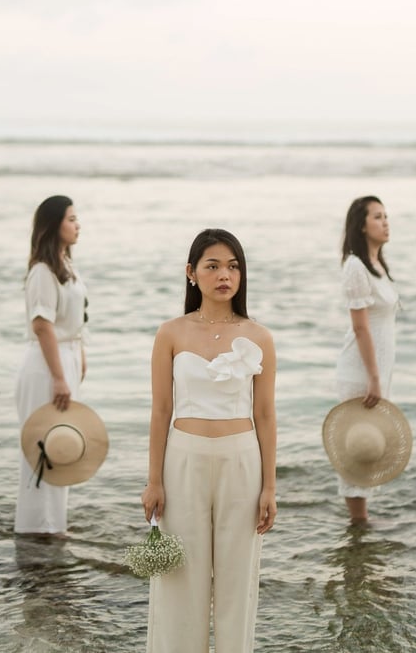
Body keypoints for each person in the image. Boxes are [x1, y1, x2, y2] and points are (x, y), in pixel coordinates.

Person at [141, 228, 277, 653]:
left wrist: (270, 486)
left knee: (238, 580)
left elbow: (266, 415)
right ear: (191, 273)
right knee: (180, 578)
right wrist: (154, 480)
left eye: (233, 266)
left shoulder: (259, 336)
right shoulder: (170, 333)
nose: (224, 275)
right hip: (183, 461)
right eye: (213, 265)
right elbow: (161, 411)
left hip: (242, 462)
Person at [14, 195, 87, 537]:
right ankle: (35, 528)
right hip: (46, 366)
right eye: (71, 218)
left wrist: (79, 357)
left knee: (62, 446)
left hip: (66, 359)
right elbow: (42, 325)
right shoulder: (42, 271)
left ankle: (54, 524)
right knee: (44, 446)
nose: (78, 225)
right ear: (54, 224)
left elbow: (73, 321)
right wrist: (59, 377)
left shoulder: (66, 265)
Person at [335, 195, 400, 524]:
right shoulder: (355, 266)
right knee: (357, 447)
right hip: (361, 371)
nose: (385, 221)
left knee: (371, 443)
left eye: (386, 215)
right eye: (377, 216)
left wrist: (381, 375)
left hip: (377, 370)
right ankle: (358, 522)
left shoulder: (376, 266)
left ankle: (361, 521)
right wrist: (373, 377)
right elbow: (361, 328)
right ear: (361, 225)